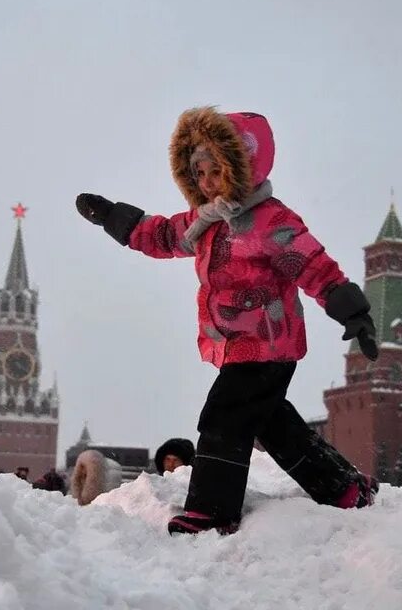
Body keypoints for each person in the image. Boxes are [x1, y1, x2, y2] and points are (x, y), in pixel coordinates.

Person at [76, 107, 380, 536]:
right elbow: (161, 235)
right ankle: (345, 488)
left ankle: (213, 510)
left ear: (240, 166)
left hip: (269, 342)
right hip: (235, 344)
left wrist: (351, 309)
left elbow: (312, 264)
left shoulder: (270, 221)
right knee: (273, 423)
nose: (204, 182)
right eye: (197, 173)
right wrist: (113, 218)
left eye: (213, 170)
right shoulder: (207, 222)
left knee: (224, 417)